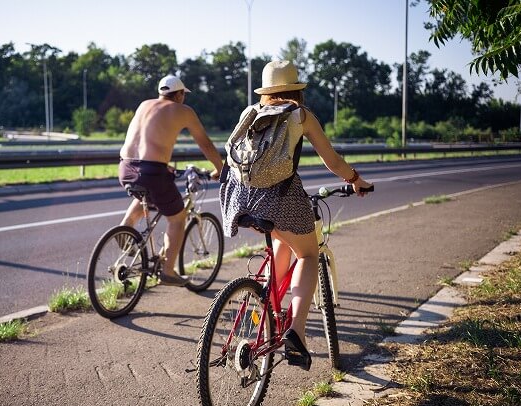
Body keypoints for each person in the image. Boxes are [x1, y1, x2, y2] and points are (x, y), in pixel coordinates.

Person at [220, 60, 373, 369]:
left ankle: (266, 310)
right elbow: (333, 161)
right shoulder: (300, 115)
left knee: (280, 241)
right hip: (281, 200)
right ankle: (296, 330)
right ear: (295, 90)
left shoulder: (249, 113)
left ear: (266, 91)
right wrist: (356, 180)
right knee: (307, 255)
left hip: (240, 200)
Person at [119, 75, 224, 286]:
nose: (184, 98)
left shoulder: (144, 105)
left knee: (147, 196)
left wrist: (164, 166)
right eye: (183, 94)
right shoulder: (184, 111)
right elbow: (205, 144)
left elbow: (145, 144)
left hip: (126, 167)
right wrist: (220, 169)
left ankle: (125, 228)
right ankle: (168, 270)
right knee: (178, 218)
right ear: (178, 94)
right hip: (152, 171)